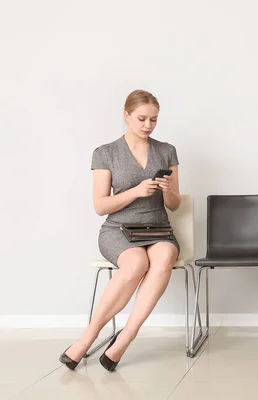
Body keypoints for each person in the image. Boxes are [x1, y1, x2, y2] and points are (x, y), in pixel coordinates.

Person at [59, 90, 181, 372]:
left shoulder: (166, 150)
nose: (148, 125)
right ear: (126, 115)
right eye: (141, 119)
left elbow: (174, 204)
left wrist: (167, 191)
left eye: (153, 120)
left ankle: (126, 337)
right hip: (118, 229)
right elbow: (100, 206)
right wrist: (137, 192)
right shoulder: (105, 153)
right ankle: (87, 338)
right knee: (136, 262)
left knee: (163, 258)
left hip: (158, 227)